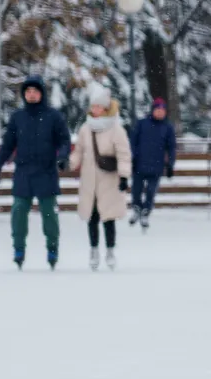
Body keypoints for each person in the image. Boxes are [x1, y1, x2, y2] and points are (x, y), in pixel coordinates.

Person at [0, 74, 72, 269]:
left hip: (46, 172)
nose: (32, 94)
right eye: (28, 91)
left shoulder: (53, 116)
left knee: (49, 214)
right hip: (24, 173)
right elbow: (8, 145)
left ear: (42, 93)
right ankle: (19, 249)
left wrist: (62, 156)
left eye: (35, 91)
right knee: (18, 210)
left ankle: (52, 248)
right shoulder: (18, 117)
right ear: (24, 94)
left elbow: (64, 140)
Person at [68, 87, 132, 271]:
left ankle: (110, 251)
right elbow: (79, 151)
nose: (94, 109)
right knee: (92, 216)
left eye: (98, 106)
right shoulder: (85, 129)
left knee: (109, 218)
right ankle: (94, 250)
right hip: (90, 181)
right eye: (93, 106)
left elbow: (124, 154)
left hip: (109, 180)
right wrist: (70, 163)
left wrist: (124, 176)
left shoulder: (116, 130)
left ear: (105, 108)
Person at [128, 97, 176, 229]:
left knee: (151, 191)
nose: (160, 112)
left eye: (162, 110)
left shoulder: (167, 127)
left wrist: (170, 164)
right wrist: (132, 157)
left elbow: (171, 147)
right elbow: (133, 141)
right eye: (158, 109)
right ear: (153, 110)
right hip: (139, 164)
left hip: (156, 166)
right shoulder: (142, 124)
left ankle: (146, 211)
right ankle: (136, 208)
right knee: (136, 190)